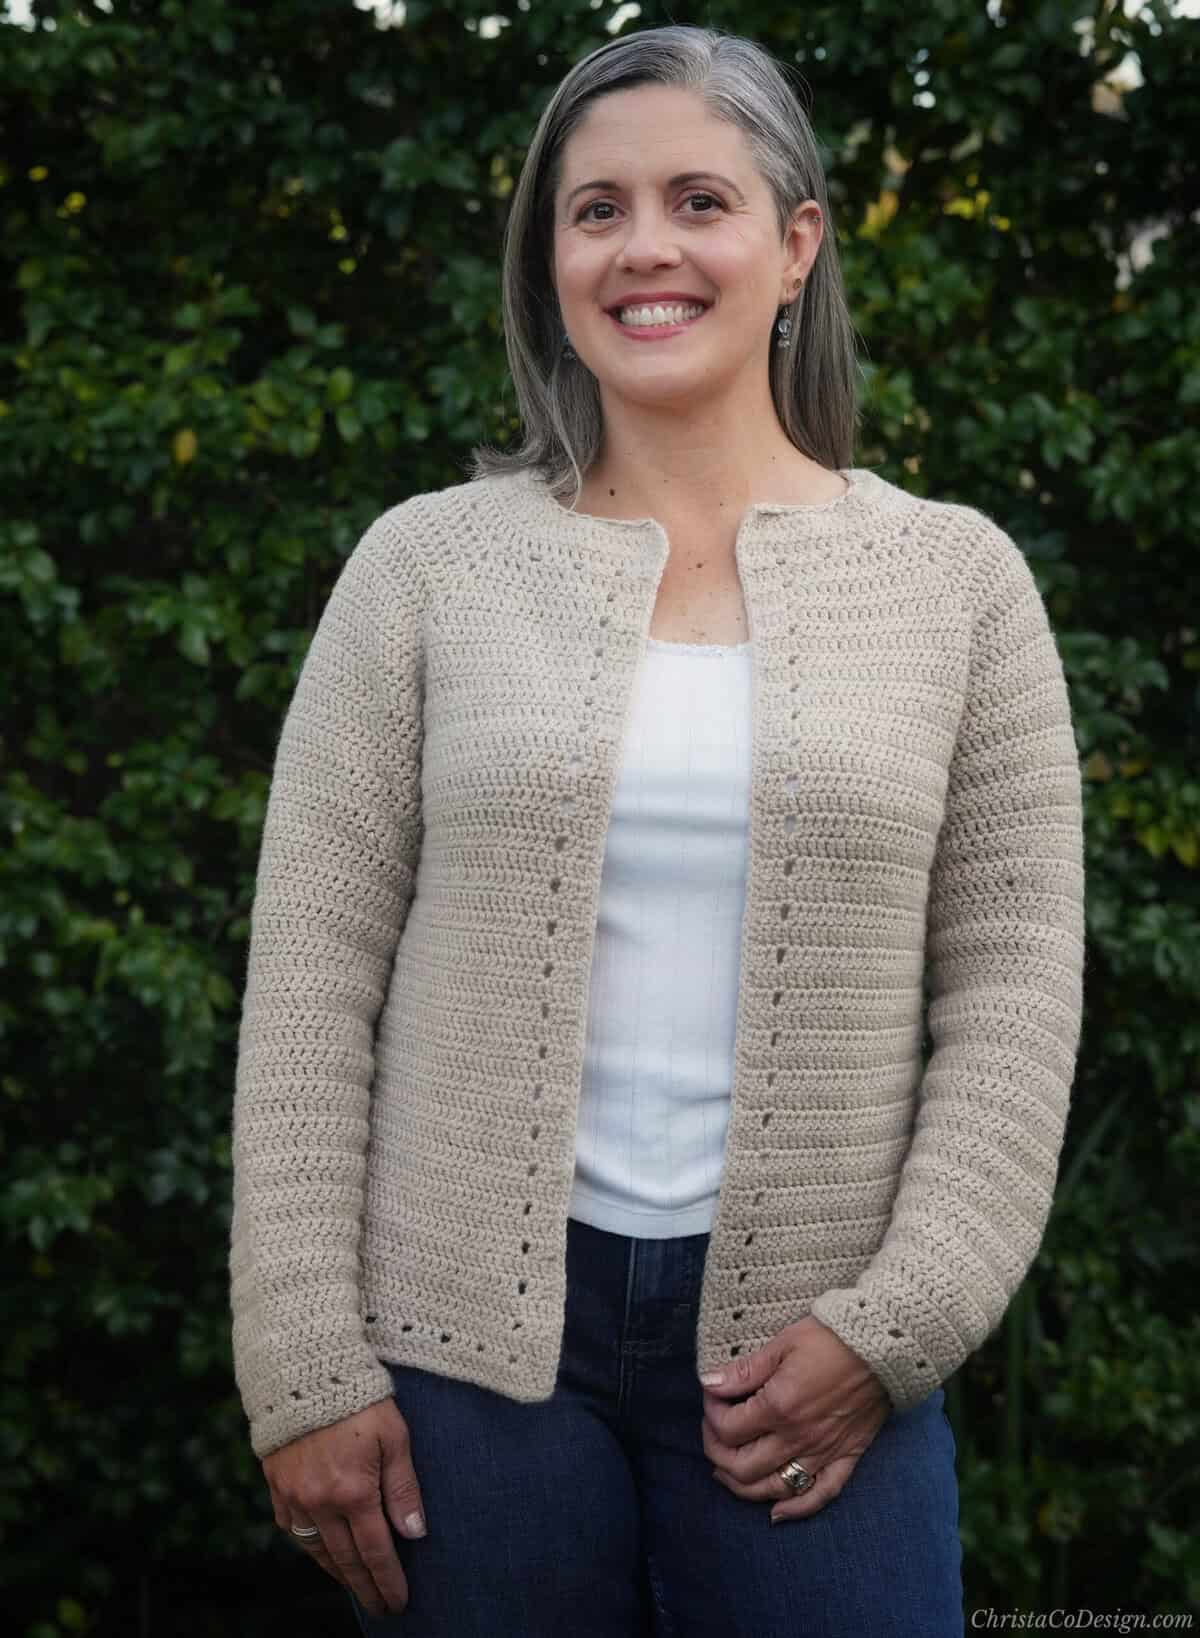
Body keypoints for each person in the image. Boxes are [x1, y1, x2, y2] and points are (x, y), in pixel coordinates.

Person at [228, 24, 1085, 1638]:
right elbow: (309, 982)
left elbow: (1015, 1004)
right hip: (470, 1356)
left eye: (699, 198)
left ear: (795, 244)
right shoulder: (426, 570)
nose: (644, 249)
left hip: (814, 1358)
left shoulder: (958, 586)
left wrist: (896, 1324)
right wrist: (301, 1363)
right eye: (594, 209)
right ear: (549, 256)